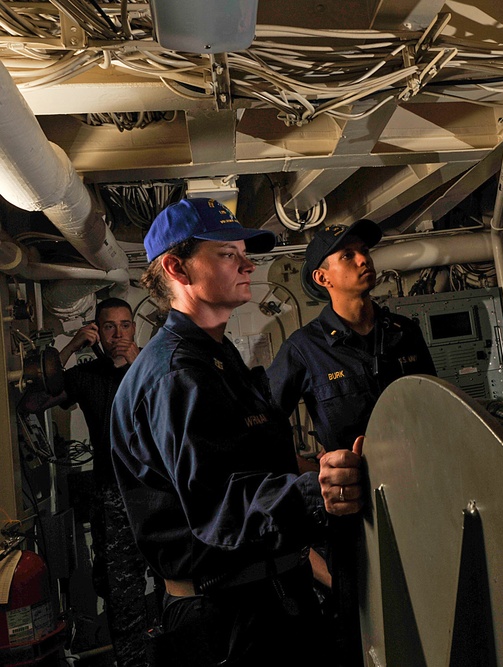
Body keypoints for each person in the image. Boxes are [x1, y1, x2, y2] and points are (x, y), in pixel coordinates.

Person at [110, 198, 362, 666]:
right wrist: (319, 491)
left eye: (244, 252)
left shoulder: (219, 360)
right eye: (228, 254)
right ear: (176, 268)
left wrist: (326, 468)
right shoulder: (176, 375)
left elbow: (263, 464)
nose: (248, 264)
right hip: (227, 616)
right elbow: (220, 506)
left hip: (272, 592)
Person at [267, 219, 436, 665]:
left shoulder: (404, 331)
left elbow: (434, 407)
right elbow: (264, 427)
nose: (363, 260)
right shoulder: (304, 348)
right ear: (322, 278)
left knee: (433, 607)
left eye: (364, 251)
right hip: (353, 514)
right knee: (363, 622)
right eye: (348, 255)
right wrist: (308, 471)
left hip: (421, 498)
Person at [20, 298, 149, 667]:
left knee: (178, 577)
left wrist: (137, 361)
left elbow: (178, 397)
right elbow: (31, 402)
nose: (119, 334)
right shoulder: (88, 374)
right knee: (120, 590)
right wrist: (72, 346)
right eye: (109, 326)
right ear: (97, 332)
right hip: (114, 494)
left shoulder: (151, 367)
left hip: (159, 494)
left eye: (125, 325)